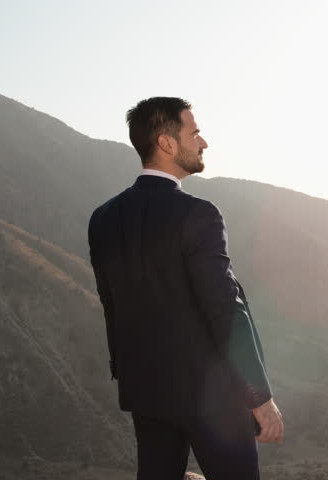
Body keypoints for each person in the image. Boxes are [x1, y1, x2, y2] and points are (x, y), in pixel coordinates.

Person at [87, 97, 283, 480]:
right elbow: (224, 307)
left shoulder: (103, 218)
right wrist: (259, 396)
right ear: (166, 143)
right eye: (194, 132)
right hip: (212, 399)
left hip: (145, 393)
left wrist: (126, 373)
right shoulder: (198, 214)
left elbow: (110, 303)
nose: (203, 142)